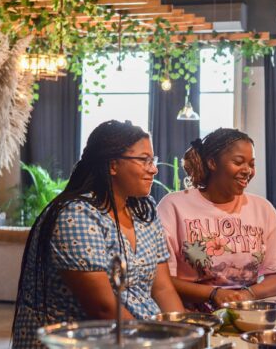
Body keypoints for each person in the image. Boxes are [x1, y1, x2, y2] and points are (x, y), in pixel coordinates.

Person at [12, 120, 184, 348]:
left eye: (152, 160)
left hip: (138, 335)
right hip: (78, 341)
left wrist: (184, 334)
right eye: (144, 160)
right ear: (113, 165)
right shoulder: (76, 216)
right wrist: (152, 343)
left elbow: (162, 287)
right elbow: (103, 309)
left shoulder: (143, 209)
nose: (153, 168)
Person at [157, 128, 276, 309]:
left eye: (251, 164)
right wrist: (213, 294)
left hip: (245, 314)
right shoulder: (173, 205)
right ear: (212, 163)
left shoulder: (262, 209)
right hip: (190, 316)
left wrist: (247, 294)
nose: (247, 171)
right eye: (238, 162)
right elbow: (161, 279)